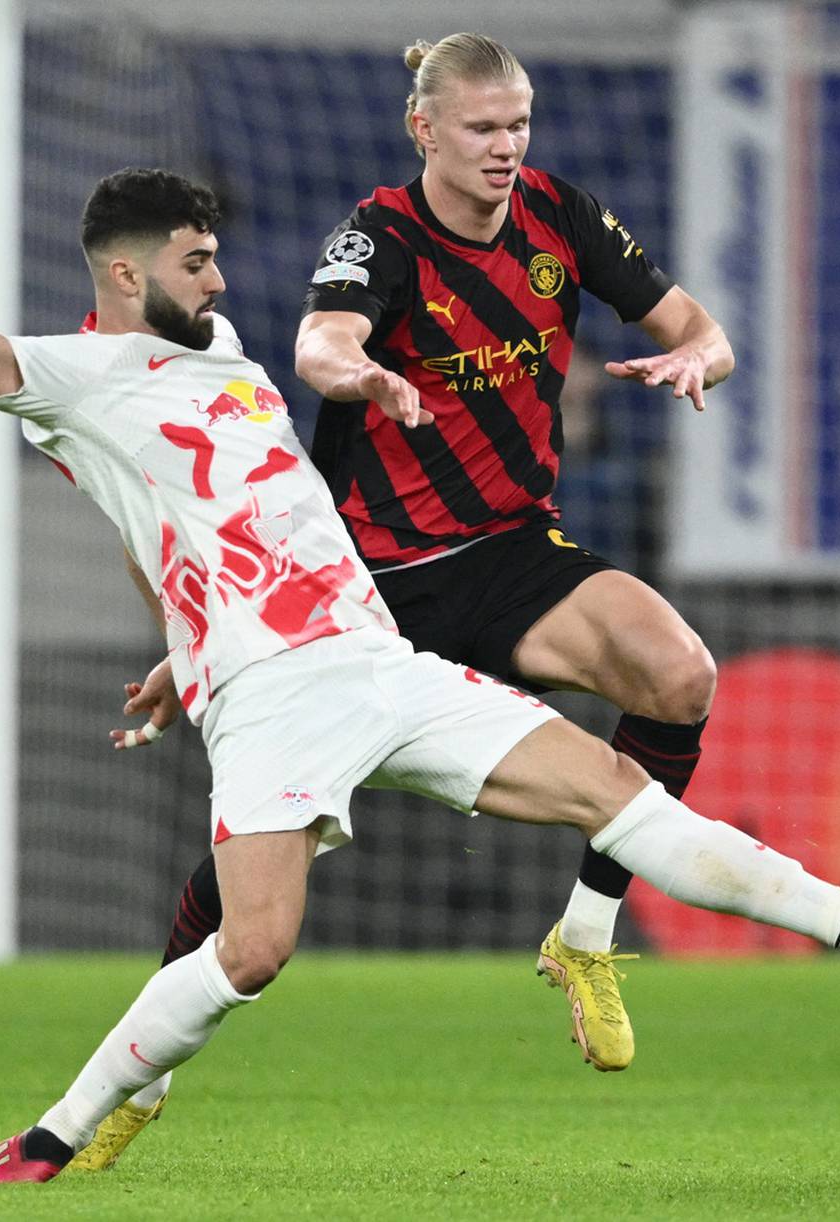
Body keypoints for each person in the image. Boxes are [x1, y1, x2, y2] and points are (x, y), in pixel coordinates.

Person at [0, 145, 840, 1183]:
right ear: (128, 273)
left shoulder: (218, 356)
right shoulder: (78, 374)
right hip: (268, 693)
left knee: (617, 793)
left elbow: (209, 525)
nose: (216, 276)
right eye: (195, 262)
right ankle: (57, 1134)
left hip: (376, 654)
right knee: (254, 951)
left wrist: (172, 639)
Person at [143, 32, 733, 1092]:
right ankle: (146, 1055)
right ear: (425, 129)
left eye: (517, 126)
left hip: (512, 553)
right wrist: (361, 375)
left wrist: (701, 353)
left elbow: (699, 325)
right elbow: (321, 341)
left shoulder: (561, 215)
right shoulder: (380, 238)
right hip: (370, 588)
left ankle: (586, 940)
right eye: (482, 128)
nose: (505, 148)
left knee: (680, 672)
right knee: (268, 871)